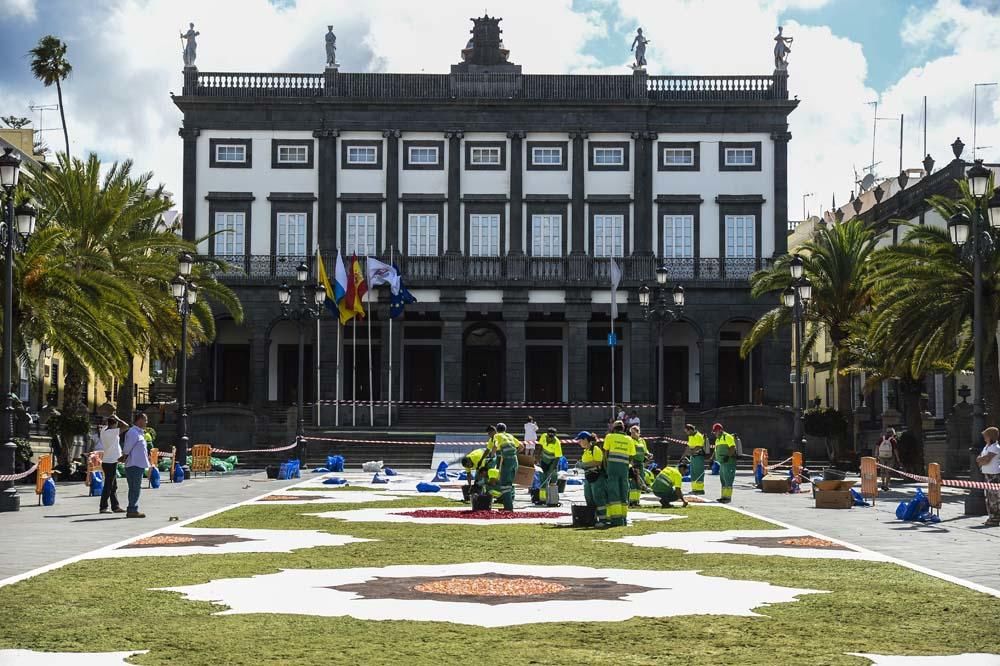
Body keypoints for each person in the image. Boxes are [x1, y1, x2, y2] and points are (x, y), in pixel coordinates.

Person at [602, 420, 636, 527]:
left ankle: (615, 519)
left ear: (614, 428)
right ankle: (623, 518)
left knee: (613, 491)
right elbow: (631, 456)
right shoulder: (629, 439)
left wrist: (606, 467)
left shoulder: (609, 437)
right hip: (624, 468)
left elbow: (606, 453)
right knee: (624, 491)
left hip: (612, 467)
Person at [96, 415, 127, 514]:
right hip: (111, 461)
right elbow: (126, 426)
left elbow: (106, 424)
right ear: (114, 424)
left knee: (113, 485)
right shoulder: (112, 432)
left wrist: (110, 419)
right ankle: (103, 507)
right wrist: (118, 418)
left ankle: (115, 506)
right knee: (109, 485)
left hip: (108, 460)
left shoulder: (104, 430)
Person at [122, 413, 150, 518]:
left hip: (138, 464)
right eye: (145, 420)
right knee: (134, 487)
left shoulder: (139, 433)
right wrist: (124, 457)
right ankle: (132, 509)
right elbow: (127, 447)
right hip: (134, 464)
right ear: (139, 420)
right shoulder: (133, 432)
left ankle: (132, 508)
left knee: (135, 487)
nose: (146, 422)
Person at [577, 431, 608, 526]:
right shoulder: (585, 451)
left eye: (580, 440)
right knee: (589, 498)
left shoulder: (595, 449)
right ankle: (592, 519)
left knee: (598, 498)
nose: (579, 442)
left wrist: (583, 465)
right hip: (588, 477)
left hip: (597, 477)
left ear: (586, 439)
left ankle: (603, 520)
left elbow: (598, 462)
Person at [492, 423, 520, 511]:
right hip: (515, 461)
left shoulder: (497, 436)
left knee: (504, 485)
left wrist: (492, 455)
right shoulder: (509, 435)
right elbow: (521, 446)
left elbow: (495, 446)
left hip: (507, 461)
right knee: (509, 484)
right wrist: (514, 454)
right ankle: (509, 505)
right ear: (505, 429)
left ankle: (508, 508)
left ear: (497, 430)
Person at [977, 426, 1000, 527]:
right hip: (987, 474)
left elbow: (986, 459)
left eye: (986, 436)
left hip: (994, 475)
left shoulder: (995, 447)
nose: (984, 438)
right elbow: (979, 458)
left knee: (994, 498)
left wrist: (981, 460)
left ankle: (995, 518)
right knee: (988, 498)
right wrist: (981, 460)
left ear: (991, 436)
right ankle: (991, 516)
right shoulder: (986, 447)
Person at [536, 427, 562, 505]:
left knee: (553, 479)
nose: (550, 438)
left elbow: (557, 457)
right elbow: (540, 446)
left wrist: (553, 468)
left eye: (552, 437)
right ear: (547, 434)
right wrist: (537, 457)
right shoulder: (543, 436)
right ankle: (542, 499)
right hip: (543, 461)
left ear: (554, 436)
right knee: (542, 480)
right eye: (549, 436)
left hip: (552, 462)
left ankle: (553, 499)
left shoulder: (557, 443)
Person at [712, 423, 737, 503]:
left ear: (720, 430)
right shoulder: (717, 439)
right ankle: (723, 497)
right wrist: (712, 459)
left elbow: (732, 448)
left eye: (715, 432)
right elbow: (715, 450)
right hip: (722, 463)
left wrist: (727, 456)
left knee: (728, 479)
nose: (715, 433)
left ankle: (727, 498)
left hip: (729, 462)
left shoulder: (727, 437)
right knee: (723, 480)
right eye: (714, 432)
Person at [627, 425, 650, 506]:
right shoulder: (630, 440)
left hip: (640, 463)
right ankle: (632, 501)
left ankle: (637, 501)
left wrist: (648, 455)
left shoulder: (642, 441)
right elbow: (630, 452)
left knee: (640, 481)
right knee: (633, 481)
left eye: (633, 433)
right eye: (631, 433)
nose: (632, 434)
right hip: (633, 463)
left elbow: (645, 451)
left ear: (638, 433)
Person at [684, 423, 708, 495]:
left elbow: (699, 446)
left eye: (687, 431)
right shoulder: (691, 436)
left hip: (698, 457)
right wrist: (683, 456)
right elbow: (688, 446)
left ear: (691, 430)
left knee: (698, 472)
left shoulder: (699, 436)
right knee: (693, 473)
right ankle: (694, 489)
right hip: (693, 457)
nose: (686, 433)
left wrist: (691, 452)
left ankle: (700, 490)